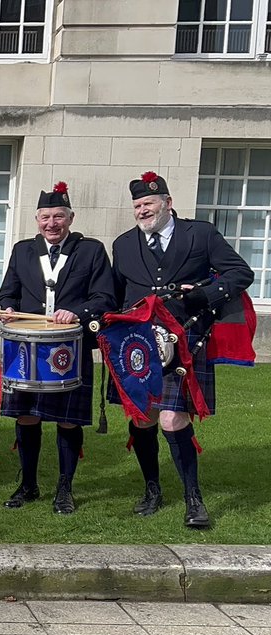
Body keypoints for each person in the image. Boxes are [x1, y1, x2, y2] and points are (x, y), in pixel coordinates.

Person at [111, 171, 253, 529]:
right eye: (137, 206)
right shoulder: (124, 244)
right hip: (138, 343)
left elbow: (240, 272)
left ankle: (193, 498)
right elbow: (116, 293)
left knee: (173, 419)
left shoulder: (200, 234)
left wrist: (204, 295)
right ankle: (152, 489)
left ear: (168, 203)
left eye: (148, 204)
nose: (142, 211)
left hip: (187, 340)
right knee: (141, 416)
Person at [0, 181, 115, 514]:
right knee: (26, 416)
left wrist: (77, 311)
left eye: (58, 216)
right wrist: (6, 307)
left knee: (67, 420)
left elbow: (105, 298)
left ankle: (65, 488)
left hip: (70, 348)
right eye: (45, 217)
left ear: (70, 218)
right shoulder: (22, 250)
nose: (51, 223)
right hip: (26, 347)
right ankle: (28, 484)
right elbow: (8, 293)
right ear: (37, 219)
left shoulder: (91, 250)